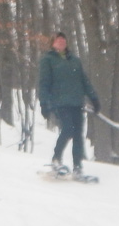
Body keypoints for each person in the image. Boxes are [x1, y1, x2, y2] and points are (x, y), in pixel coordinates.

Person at [38, 31, 100, 177]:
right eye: (58, 40)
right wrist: (44, 103)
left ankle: (77, 166)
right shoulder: (48, 60)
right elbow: (44, 83)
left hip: (76, 103)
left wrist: (94, 98)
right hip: (59, 102)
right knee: (68, 129)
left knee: (78, 134)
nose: (61, 42)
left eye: (63, 40)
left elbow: (84, 81)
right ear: (53, 43)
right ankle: (56, 159)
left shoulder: (75, 60)